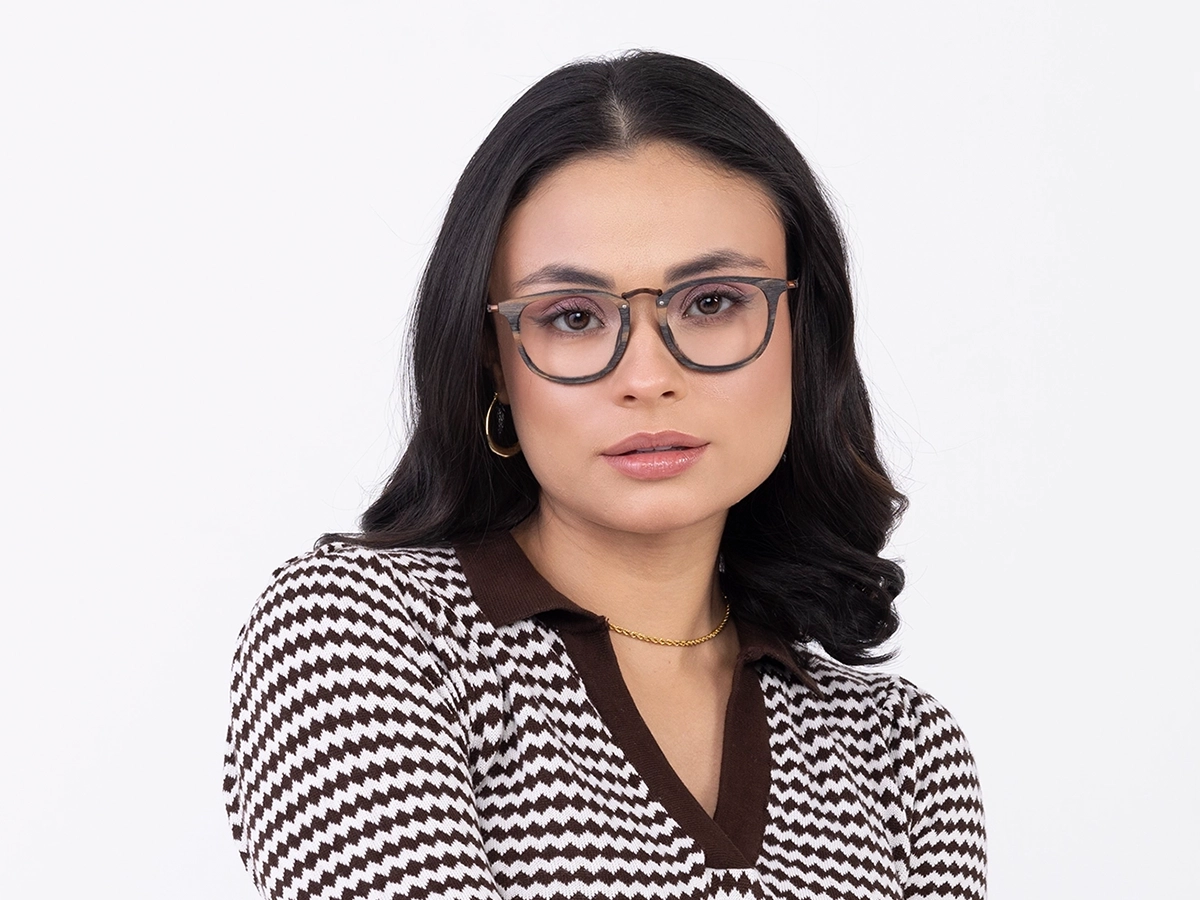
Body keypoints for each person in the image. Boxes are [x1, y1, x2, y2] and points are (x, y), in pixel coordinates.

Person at [223, 51, 987, 900]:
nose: (647, 377)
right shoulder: (359, 636)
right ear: (493, 358)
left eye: (712, 302)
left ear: (804, 332)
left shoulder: (902, 756)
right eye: (574, 317)